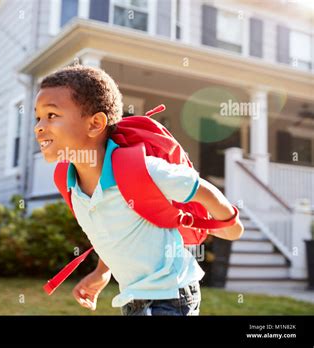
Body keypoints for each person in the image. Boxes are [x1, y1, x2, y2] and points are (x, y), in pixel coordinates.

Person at [33, 64, 244, 316]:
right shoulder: (69, 181)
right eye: (38, 117)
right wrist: (102, 271)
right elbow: (111, 232)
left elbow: (199, 187)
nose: (39, 126)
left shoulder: (142, 169)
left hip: (172, 295)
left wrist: (230, 223)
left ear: (95, 124)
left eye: (52, 115)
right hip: (132, 298)